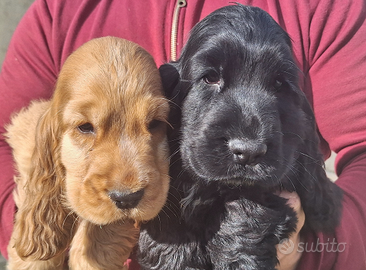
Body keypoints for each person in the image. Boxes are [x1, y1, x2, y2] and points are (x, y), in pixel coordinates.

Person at [0, 0, 365, 269]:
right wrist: (45, 235)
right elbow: (10, 137)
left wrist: (306, 252)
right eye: (209, 78)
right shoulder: (58, 12)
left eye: (156, 122)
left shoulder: (324, 9)